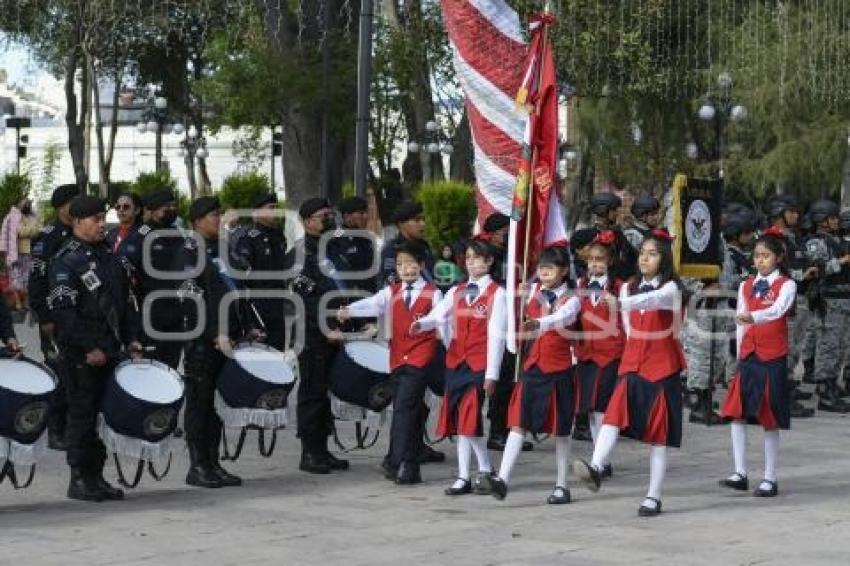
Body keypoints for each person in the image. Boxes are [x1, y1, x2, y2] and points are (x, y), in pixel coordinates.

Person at [573, 230, 686, 517]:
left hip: (662, 366)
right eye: (643, 253)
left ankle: (653, 495)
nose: (645, 258)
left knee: (658, 437)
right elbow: (630, 327)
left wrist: (622, 303)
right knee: (611, 416)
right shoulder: (627, 287)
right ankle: (597, 466)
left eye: (653, 253)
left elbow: (652, 301)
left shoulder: (671, 289)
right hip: (634, 362)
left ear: (664, 258)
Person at [47, 195, 143, 501]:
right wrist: (89, 347)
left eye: (104, 218)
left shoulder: (108, 257)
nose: (102, 224)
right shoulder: (65, 261)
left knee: (101, 418)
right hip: (81, 354)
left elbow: (124, 307)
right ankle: (79, 478)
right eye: (95, 219)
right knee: (81, 416)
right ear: (77, 222)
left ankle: (96, 476)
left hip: (111, 350)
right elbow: (64, 315)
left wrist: (132, 339)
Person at [175, 196, 263, 488]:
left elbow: (239, 292)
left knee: (217, 405)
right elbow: (191, 298)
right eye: (214, 215)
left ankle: (214, 463)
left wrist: (248, 327)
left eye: (220, 214)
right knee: (200, 403)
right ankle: (198, 465)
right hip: (203, 340)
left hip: (229, 338)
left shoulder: (225, 251)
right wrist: (214, 332)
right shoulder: (188, 251)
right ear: (197, 221)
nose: (220, 220)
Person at [338, 239, 442, 485]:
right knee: (407, 409)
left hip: (420, 356)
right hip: (397, 357)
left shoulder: (433, 293)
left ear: (421, 265)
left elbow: (442, 321)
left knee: (405, 407)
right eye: (400, 264)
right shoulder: (391, 291)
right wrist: (349, 310)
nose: (406, 269)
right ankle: (405, 462)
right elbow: (372, 303)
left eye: (411, 264)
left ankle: (401, 462)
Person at [412, 237, 506, 496]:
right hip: (455, 362)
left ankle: (483, 469)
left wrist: (492, 374)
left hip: (479, 364)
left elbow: (497, 336)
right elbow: (439, 314)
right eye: (468, 258)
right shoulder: (456, 291)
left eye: (476, 257)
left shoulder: (499, 294)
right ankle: (467, 474)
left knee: (469, 418)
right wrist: (422, 324)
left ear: (489, 261)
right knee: (459, 420)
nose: (471, 262)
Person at [490, 245, 580, 503]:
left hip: (560, 369)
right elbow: (507, 316)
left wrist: (539, 322)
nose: (544, 273)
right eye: (541, 268)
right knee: (519, 422)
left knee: (561, 429)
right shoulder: (531, 293)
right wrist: (515, 299)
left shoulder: (571, 299)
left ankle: (562, 485)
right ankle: (503, 479)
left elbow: (562, 318)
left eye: (550, 268)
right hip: (533, 367)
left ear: (563, 271)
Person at [719, 227, 797, 497]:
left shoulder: (787, 284)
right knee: (737, 413)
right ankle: (740, 472)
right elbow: (741, 319)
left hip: (772, 355)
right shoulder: (746, 284)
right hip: (749, 355)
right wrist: (740, 350)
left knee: (769, 417)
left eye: (766, 255)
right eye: (757, 256)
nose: (760, 260)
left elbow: (778, 311)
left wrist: (755, 317)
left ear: (778, 258)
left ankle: (770, 477)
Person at [285, 197, 351, 474]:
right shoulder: (299, 255)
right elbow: (303, 301)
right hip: (312, 334)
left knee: (326, 392)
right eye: (323, 215)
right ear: (307, 221)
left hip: (338, 331)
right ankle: (310, 452)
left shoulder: (333, 249)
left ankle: (323, 448)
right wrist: (326, 328)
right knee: (312, 391)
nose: (329, 218)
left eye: (329, 213)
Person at [29, 183, 79, 450]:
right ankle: (55, 431)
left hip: (79, 320)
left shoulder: (82, 232)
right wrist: (44, 317)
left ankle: (75, 428)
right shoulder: (48, 237)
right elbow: (36, 282)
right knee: (59, 375)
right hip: (54, 320)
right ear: (62, 206)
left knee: (78, 377)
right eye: (75, 202)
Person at [571, 230, 624, 477]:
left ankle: (598, 461)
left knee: (603, 407)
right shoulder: (580, 286)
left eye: (600, 259)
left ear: (610, 261)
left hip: (610, 353)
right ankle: (601, 458)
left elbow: (626, 322)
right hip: (586, 352)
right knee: (591, 408)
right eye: (591, 259)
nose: (594, 264)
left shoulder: (620, 288)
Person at [119, 189, 186, 370]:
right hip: (148, 319)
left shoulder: (178, 236)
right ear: (153, 210)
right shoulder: (139, 238)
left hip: (175, 318)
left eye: (174, 205)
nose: (172, 209)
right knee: (148, 370)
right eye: (167, 207)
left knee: (170, 369)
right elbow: (125, 280)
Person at [764, 196, 815, 418]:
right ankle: (779, 395)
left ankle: (786, 388)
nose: (795, 215)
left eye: (796, 211)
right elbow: (772, 271)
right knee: (786, 348)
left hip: (799, 298)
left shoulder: (791, 238)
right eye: (790, 211)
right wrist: (801, 275)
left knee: (794, 348)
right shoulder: (771, 239)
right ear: (778, 213)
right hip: (785, 300)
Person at [803, 199, 850, 413]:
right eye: (832, 218)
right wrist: (841, 262)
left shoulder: (838, 241)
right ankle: (824, 387)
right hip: (829, 300)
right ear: (822, 221)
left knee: (839, 345)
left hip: (843, 298)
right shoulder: (816, 243)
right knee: (828, 345)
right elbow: (817, 270)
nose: (836, 221)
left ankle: (832, 383)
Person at [234, 192, 288, 353]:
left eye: (276, 207)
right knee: (262, 352)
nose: (275, 211)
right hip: (259, 305)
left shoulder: (278, 236)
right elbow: (243, 276)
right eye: (271, 208)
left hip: (278, 302)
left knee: (278, 351)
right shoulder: (248, 238)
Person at [1, 196, 40, 318]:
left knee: (28, 278)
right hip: (15, 252)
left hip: (29, 252)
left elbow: (37, 229)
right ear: (18, 204)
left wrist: (30, 229)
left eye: (28, 203)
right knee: (15, 278)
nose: (27, 205)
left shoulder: (32, 216)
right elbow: (21, 232)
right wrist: (32, 229)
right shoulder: (12, 217)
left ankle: (27, 301)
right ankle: (17, 302)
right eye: (24, 203)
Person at [380, 201, 434, 285]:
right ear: (401, 224)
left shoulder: (424, 246)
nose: (423, 224)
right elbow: (391, 281)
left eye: (423, 219)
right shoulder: (392, 249)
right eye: (417, 220)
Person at [335, 196, 379, 294]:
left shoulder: (367, 239)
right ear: (347, 216)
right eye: (361, 213)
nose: (366, 216)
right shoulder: (336, 240)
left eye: (366, 212)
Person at [589, 192, 636, 280]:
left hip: (618, 283)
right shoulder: (585, 235)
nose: (616, 214)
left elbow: (632, 257)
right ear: (603, 210)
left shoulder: (618, 233)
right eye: (614, 210)